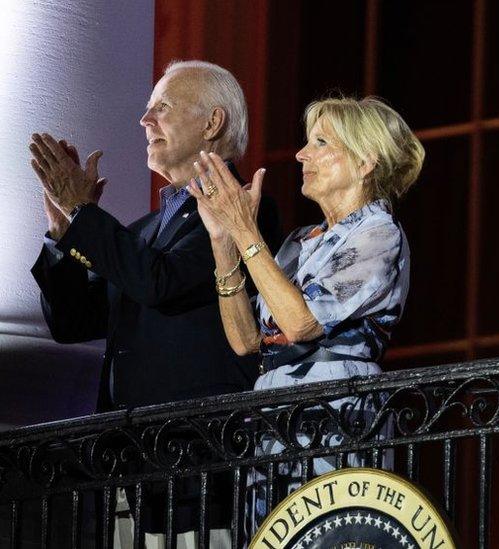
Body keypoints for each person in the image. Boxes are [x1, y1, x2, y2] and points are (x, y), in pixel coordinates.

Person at [28, 60, 282, 547]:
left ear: (213, 122)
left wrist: (85, 214)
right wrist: (63, 231)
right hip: (131, 465)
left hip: (200, 465)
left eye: (161, 108)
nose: (145, 122)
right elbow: (73, 322)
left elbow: (159, 283)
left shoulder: (246, 208)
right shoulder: (143, 232)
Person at [186, 95, 424, 532]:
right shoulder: (300, 241)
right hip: (273, 420)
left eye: (319, 142)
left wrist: (245, 229)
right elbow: (244, 339)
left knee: (325, 538)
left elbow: (300, 323)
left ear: (366, 161)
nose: (301, 154)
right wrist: (224, 242)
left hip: (333, 417)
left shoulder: (378, 234)